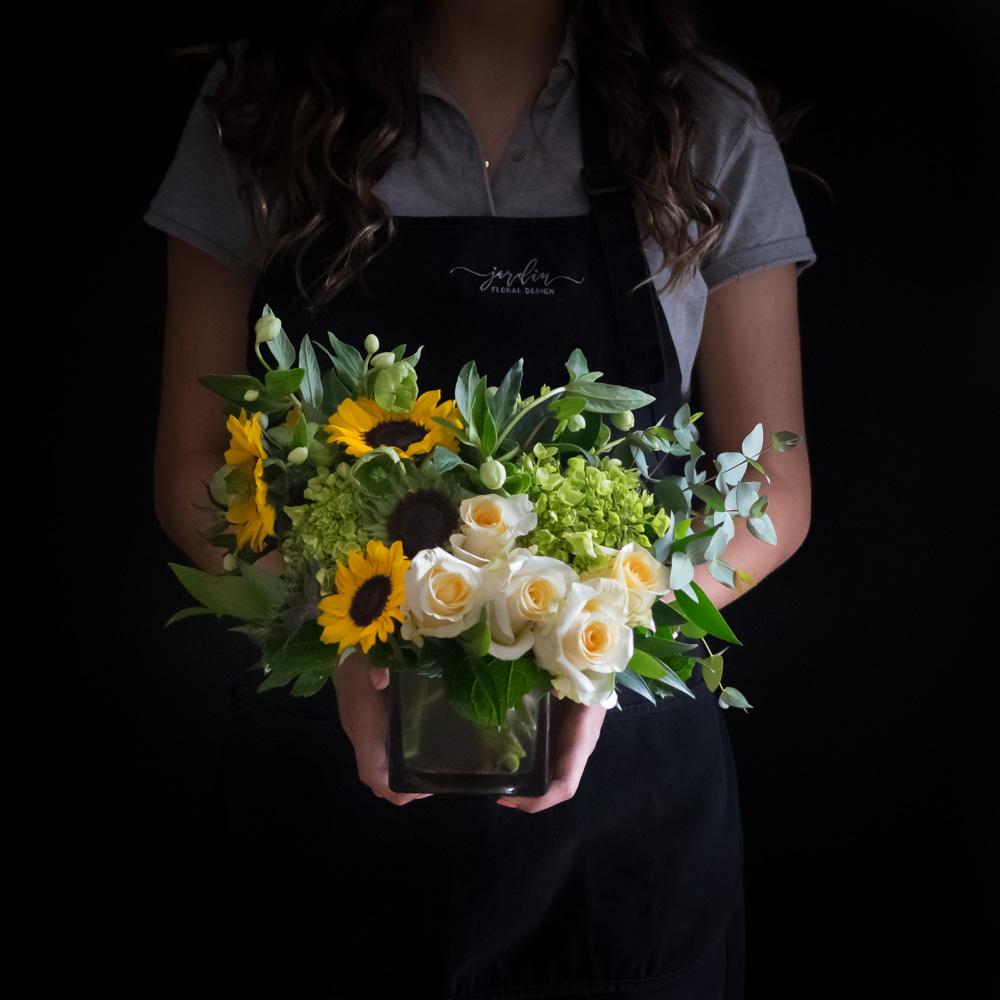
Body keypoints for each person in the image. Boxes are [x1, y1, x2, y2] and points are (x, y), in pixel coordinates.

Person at [145, 1, 816, 997]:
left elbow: (773, 482)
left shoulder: (697, 116)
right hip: (328, 812)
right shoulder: (266, 104)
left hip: (623, 839)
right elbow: (193, 464)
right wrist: (348, 635)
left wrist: (602, 634)